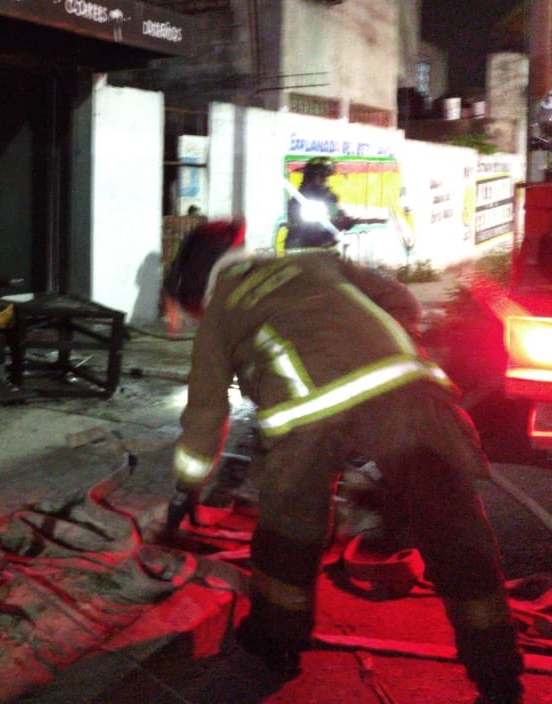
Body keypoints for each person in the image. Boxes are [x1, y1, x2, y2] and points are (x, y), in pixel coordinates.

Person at [163, 219, 524, 704]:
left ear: (199, 288)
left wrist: (186, 487)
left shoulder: (222, 310)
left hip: (304, 421)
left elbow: (207, 411)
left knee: (288, 535)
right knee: (455, 530)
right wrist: (376, 355)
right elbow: (403, 302)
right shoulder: (316, 261)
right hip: (407, 392)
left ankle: (275, 646)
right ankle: (498, 676)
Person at [285, 157, 356, 249]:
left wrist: (346, 222)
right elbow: (307, 232)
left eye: (326, 177)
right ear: (309, 177)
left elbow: (339, 216)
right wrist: (335, 227)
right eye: (321, 176)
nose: (325, 181)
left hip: (324, 252)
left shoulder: (329, 197)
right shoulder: (301, 199)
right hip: (302, 252)